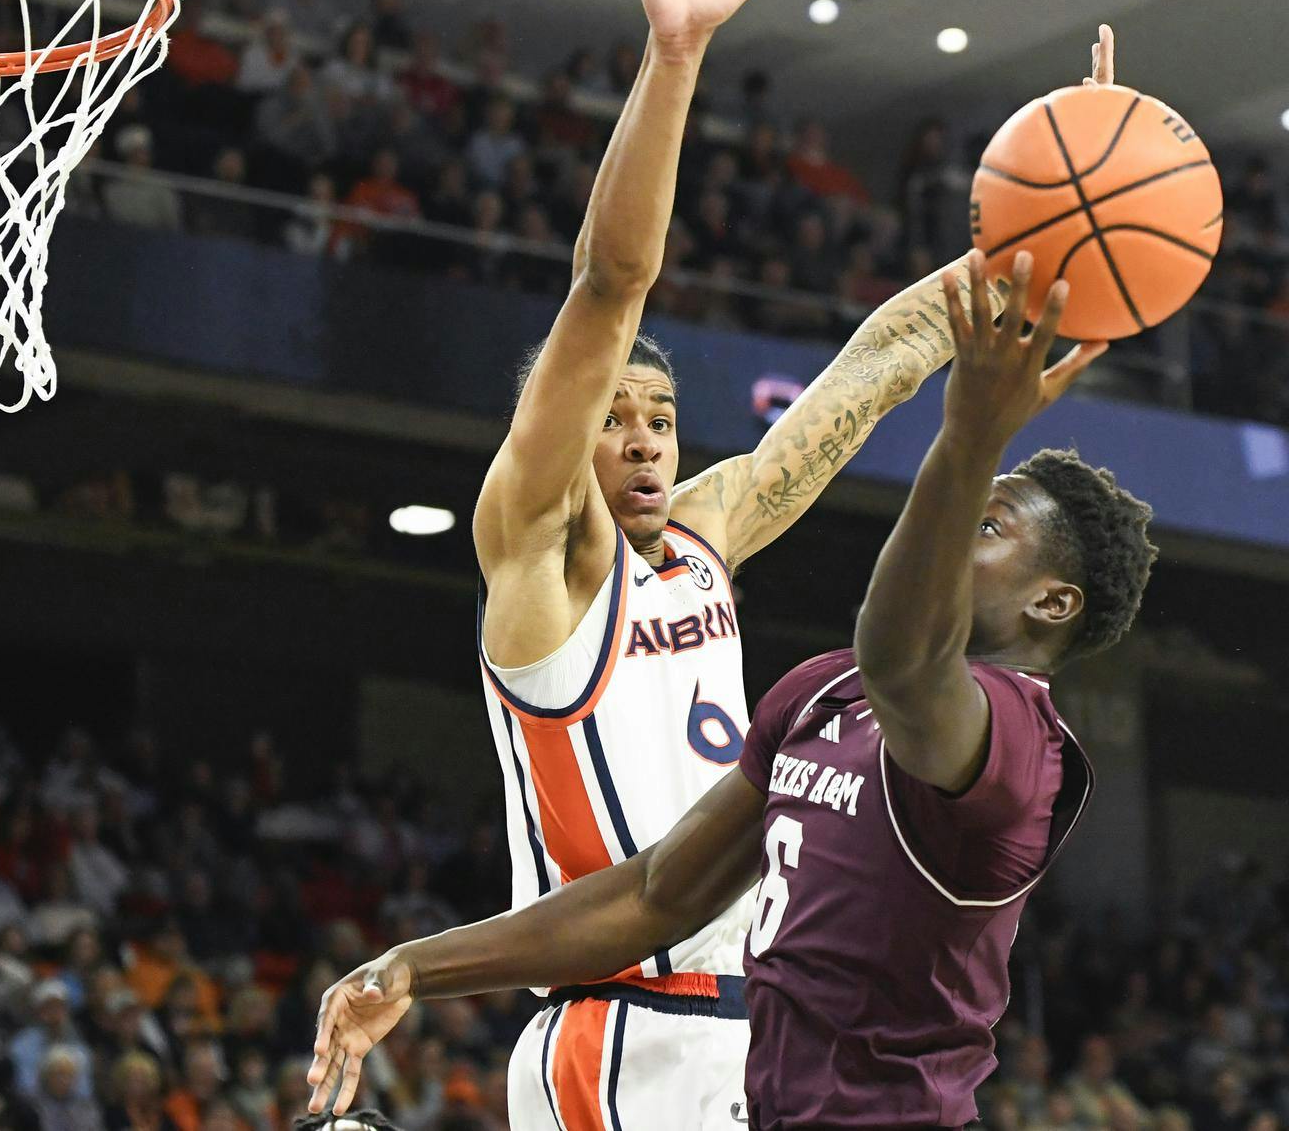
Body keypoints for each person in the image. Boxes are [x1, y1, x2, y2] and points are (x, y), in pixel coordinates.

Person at [459, 0, 1114, 1131]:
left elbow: (876, 367)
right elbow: (609, 283)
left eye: (661, 418)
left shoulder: (704, 534)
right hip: (615, 1028)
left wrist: (1052, 214)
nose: (642, 439)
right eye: (612, 417)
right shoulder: (537, 551)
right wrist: (675, 56)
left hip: (755, 1032)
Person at [307, 250, 1157, 1131]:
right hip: (705, 1053)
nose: (643, 439)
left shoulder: (1014, 742)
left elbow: (905, 656)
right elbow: (656, 893)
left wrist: (971, 438)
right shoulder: (819, 693)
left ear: (1053, 603)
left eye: (987, 522)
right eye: (613, 417)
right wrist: (1016, 248)